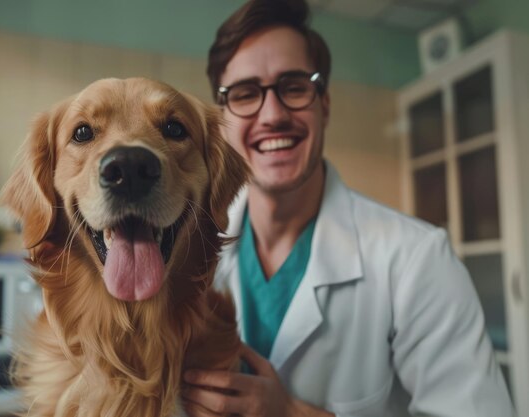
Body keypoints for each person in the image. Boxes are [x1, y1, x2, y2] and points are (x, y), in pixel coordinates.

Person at [181, 0, 516, 416]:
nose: (273, 114)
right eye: (246, 94)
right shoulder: (186, 248)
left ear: (324, 105)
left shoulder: (416, 260)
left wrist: (291, 413)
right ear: (223, 118)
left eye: (294, 86)